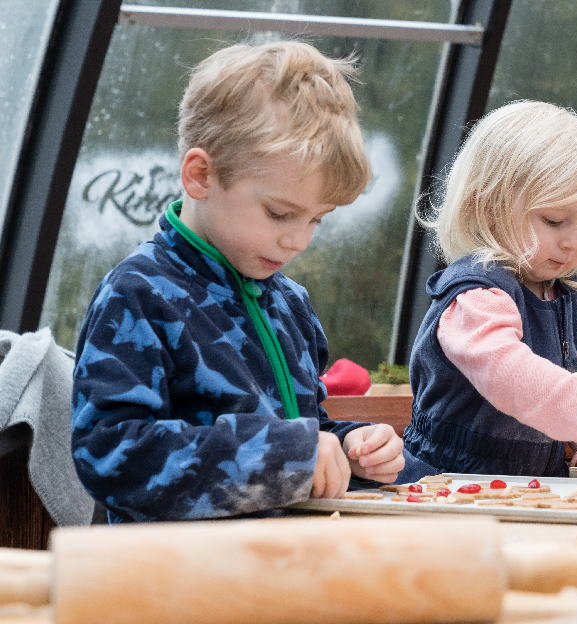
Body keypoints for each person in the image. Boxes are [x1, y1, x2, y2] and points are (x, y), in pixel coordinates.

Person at [71, 40, 409, 523]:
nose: (297, 241)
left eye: (318, 220)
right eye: (280, 213)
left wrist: (350, 447)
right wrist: (287, 454)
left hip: (286, 573)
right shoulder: (140, 295)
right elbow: (110, 455)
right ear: (201, 175)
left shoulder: (290, 303)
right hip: (182, 586)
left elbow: (303, 430)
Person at [404, 100, 577, 477]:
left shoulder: (572, 297)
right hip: (449, 481)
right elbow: (508, 373)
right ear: (489, 205)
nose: (572, 242)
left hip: (535, 482)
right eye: (555, 220)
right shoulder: (477, 295)